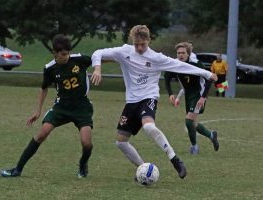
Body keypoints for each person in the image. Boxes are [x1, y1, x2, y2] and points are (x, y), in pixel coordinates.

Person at [90, 25, 218, 179]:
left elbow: (181, 66)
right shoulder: (124, 51)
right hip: (131, 101)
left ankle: (175, 159)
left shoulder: (157, 58)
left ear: (148, 41)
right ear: (133, 41)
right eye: (136, 44)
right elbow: (98, 53)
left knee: (149, 126)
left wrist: (207, 73)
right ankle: (144, 169)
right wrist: (97, 69)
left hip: (149, 97)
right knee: (121, 142)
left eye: (143, 45)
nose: (139, 48)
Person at [0, 34, 97, 178]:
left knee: (86, 142)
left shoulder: (79, 59)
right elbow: (44, 88)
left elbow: (99, 58)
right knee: (41, 134)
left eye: (68, 53)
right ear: (55, 53)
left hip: (82, 106)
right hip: (61, 107)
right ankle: (17, 169)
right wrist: (37, 110)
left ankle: (83, 164)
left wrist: (98, 68)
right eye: (63, 54)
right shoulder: (50, 68)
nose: (67, 56)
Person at [164, 42, 219, 155]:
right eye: (178, 53)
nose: (180, 55)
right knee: (193, 123)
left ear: (188, 53)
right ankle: (211, 135)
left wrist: (203, 98)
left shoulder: (196, 63)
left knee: (189, 121)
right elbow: (167, 78)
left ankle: (194, 147)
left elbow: (210, 78)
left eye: (183, 53)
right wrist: (171, 94)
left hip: (199, 94)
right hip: (188, 95)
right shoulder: (175, 64)